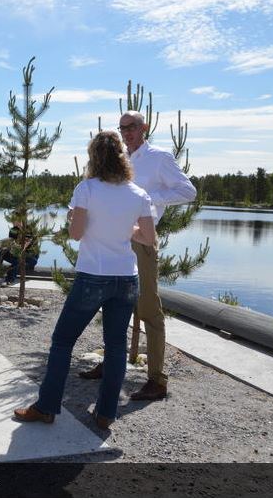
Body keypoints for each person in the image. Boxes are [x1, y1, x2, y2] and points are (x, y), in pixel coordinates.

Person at [14, 131, 157, 429]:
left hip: (94, 275)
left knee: (63, 341)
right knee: (116, 346)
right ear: (122, 158)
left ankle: (46, 407)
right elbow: (148, 238)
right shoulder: (139, 194)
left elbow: (76, 234)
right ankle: (106, 414)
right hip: (126, 278)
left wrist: (73, 219)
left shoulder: (86, 189)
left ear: (94, 158)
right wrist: (125, 229)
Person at [79, 111, 197, 401]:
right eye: (122, 128)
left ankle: (157, 380)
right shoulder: (119, 157)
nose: (127, 132)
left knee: (149, 310)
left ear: (144, 127)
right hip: (114, 241)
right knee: (112, 304)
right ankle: (111, 364)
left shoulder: (159, 158)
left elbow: (188, 191)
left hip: (141, 241)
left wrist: (148, 198)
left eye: (132, 127)